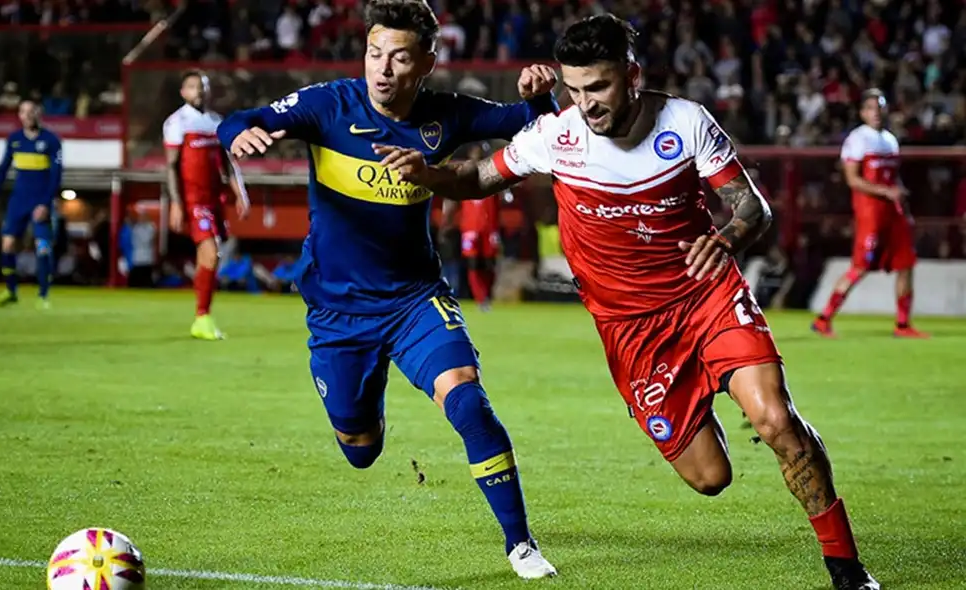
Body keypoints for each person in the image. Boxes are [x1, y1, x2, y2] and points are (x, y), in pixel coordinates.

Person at [374, 14, 879, 590]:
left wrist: (726, 240)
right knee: (711, 477)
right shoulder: (555, 136)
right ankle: (698, 395)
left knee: (775, 420)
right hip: (632, 331)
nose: (586, 104)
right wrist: (430, 174)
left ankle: (846, 567)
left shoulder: (684, 122)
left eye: (599, 87)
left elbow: (752, 207)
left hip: (705, 295)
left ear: (632, 75)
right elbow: (478, 177)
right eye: (575, 89)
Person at [216, 0, 558, 578]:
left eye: (399, 58)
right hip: (338, 312)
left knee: (469, 402)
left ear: (425, 62)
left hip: (413, 299)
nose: (383, 68)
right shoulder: (329, 105)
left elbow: (533, 126)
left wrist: (539, 95)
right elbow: (238, 117)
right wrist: (240, 135)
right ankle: (366, 414)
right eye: (375, 53)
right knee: (360, 448)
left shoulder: (445, 116)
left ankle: (520, 545)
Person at [813, 90, 928, 338]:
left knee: (906, 264)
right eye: (871, 109)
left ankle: (903, 324)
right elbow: (853, 180)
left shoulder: (889, 139)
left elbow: (893, 176)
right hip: (871, 213)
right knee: (860, 267)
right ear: (863, 112)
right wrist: (886, 192)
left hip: (893, 212)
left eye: (880, 108)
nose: (876, 113)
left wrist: (901, 203)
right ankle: (824, 319)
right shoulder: (857, 139)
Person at [164, 69, 251, 340]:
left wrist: (241, 193)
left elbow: (229, 163)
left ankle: (203, 318)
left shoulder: (216, 122)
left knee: (212, 258)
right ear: (183, 92)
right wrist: (175, 204)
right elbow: (170, 166)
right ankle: (202, 317)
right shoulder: (177, 122)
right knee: (211, 253)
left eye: (202, 86)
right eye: (192, 86)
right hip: (193, 200)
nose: (198, 91)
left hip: (214, 199)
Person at [0, 101, 62, 308]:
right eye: (24, 112)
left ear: (39, 114)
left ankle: (43, 295)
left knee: (43, 248)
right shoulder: (14, 140)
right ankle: (11, 291)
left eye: (32, 111)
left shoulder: (51, 140)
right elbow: (3, 168)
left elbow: (56, 176)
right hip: (18, 201)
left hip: (40, 202)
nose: (28, 115)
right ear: (19, 115)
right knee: (8, 244)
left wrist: (46, 204)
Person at [442, 142, 504, 311]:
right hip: (470, 228)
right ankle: (480, 298)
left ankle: (487, 294)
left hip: (489, 228)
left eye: (481, 153)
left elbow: (501, 202)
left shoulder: (493, 174)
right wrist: (447, 221)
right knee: (473, 262)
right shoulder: (463, 175)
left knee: (489, 263)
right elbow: (453, 200)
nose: (477, 156)